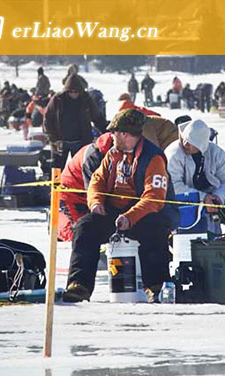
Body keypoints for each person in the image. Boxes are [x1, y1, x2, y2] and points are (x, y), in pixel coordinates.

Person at [63, 109, 179, 303]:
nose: (110, 136)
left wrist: (130, 217)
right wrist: (96, 202)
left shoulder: (154, 158)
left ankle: (156, 285)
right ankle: (79, 285)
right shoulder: (112, 154)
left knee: (155, 228)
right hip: (115, 212)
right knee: (85, 227)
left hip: (144, 213)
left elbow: (154, 198)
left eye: (114, 132)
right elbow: (97, 180)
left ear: (125, 134)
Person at [165, 119, 225, 269]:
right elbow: (174, 186)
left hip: (213, 194)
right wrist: (203, 198)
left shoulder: (217, 154)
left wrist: (218, 197)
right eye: (185, 140)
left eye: (191, 143)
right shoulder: (173, 154)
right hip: (184, 197)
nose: (186, 145)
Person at [43, 74, 107, 169]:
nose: (73, 94)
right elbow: (48, 119)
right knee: (57, 170)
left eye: (76, 92)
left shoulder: (86, 99)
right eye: (70, 92)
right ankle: (56, 184)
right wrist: (53, 139)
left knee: (81, 171)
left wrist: (106, 132)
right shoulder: (58, 99)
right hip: (61, 142)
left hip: (80, 141)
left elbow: (97, 117)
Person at [59, 132, 113, 242]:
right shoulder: (93, 156)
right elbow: (93, 187)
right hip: (72, 195)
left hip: (87, 192)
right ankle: (58, 221)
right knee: (78, 234)